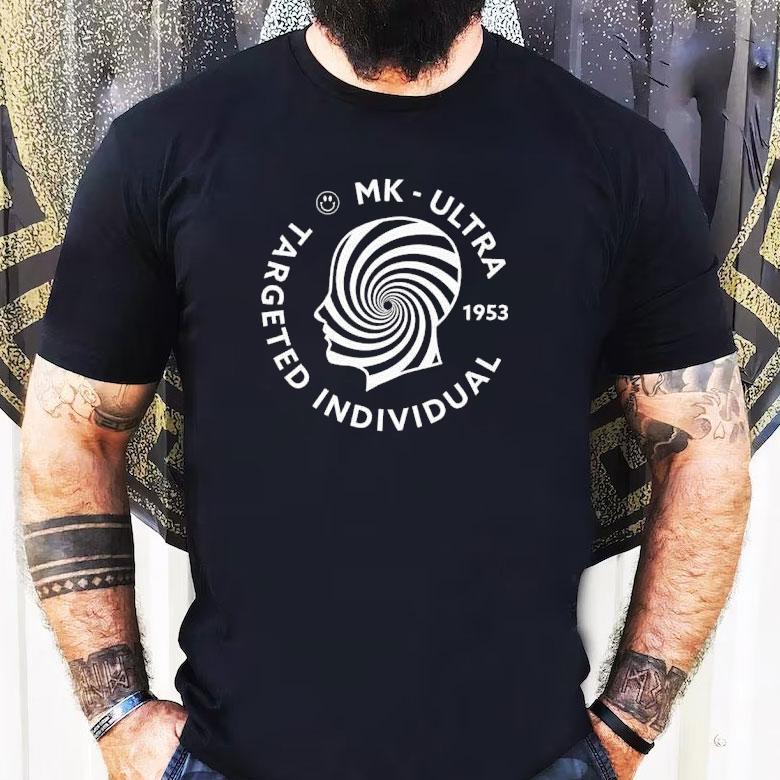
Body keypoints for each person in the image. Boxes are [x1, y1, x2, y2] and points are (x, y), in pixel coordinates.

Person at [19, 1, 751, 778]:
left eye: (351, 299)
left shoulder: (615, 161)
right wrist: (117, 715)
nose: (322, 314)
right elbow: (74, 433)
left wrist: (628, 727)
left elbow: (703, 450)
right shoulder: (165, 148)